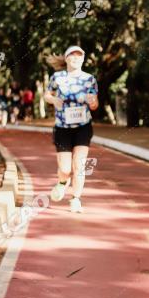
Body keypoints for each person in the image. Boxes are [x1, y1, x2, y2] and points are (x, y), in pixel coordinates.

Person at [44, 46, 99, 213]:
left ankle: (75, 198)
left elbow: (95, 105)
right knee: (65, 169)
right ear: (66, 59)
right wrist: (53, 100)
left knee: (79, 165)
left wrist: (92, 102)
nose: (76, 59)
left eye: (79, 56)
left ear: (83, 59)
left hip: (83, 127)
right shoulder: (57, 77)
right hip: (62, 128)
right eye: (72, 56)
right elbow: (47, 94)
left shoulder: (89, 79)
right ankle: (62, 182)